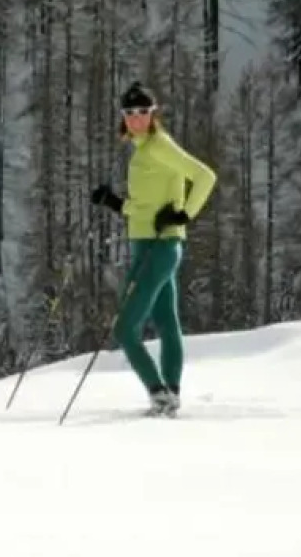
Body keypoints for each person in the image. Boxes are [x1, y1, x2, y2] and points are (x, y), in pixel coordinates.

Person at [88, 82, 217, 416]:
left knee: (124, 328)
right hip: (150, 244)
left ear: (153, 114)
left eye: (142, 112)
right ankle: (170, 394)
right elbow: (143, 207)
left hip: (159, 249)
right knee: (166, 323)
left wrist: (184, 213)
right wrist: (114, 203)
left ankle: (158, 393)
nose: (135, 119)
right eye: (129, 113)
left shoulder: (159, 146)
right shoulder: (142, 149)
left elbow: (205, 176)